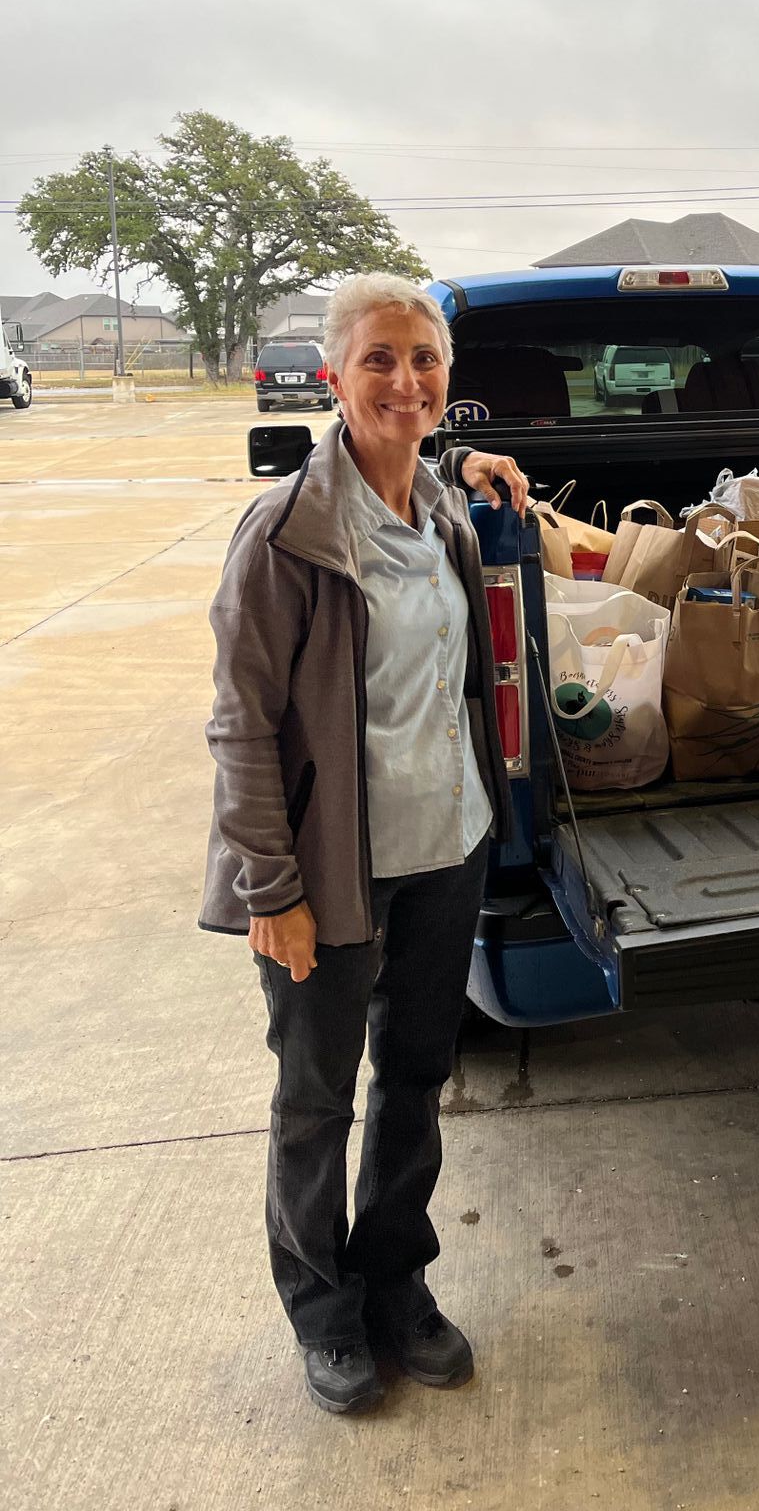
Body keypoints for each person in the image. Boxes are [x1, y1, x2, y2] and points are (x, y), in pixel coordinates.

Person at [199, 272, 531, 1415]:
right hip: (328, 869)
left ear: (448, 380)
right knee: (315, 1097)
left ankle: (397, 1283)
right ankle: (324, 1312)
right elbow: (240, 723)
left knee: (416, 1080)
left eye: (424, 358)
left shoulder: (437, 508)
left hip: (450, 844)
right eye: (379, 358)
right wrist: (270, 885)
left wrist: (472, 472)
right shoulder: (287, 533)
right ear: (334, 375)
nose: (405, 379)